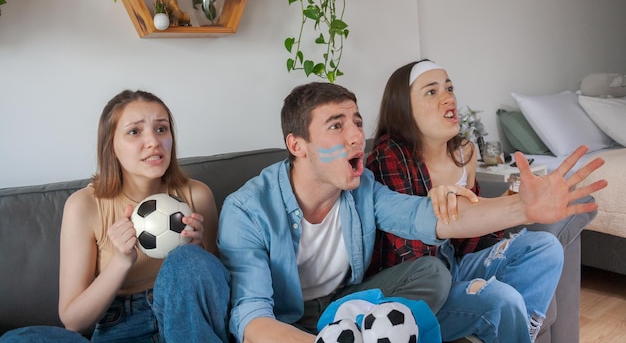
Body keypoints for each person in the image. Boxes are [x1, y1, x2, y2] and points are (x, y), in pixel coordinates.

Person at [216, 81, 606, 343]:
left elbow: (430, 219)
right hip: (295, 324)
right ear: (297, 145)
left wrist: (522, 207)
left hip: (351, 304)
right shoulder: (247, 210)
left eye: (356, 121)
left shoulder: (362, 187)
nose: (355, 136)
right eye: (336, 126)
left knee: (447, 279)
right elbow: (251, 318)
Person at [364, 59, 578, 343]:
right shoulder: (389, 155)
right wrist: (443, 204)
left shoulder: (464, 151)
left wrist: (511, 201)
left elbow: (472, 240)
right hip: (419, 282)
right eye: (432, 91)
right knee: (501, 297)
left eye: (449, 87)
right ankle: (494, 322)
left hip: (455, 264)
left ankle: (517, 329)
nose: (448, 97)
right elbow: (411, 253)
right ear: (404, 108)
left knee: (546, 247)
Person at [1, 90, 231, 343]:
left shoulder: (196, 195)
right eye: (135, 132)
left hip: (186, 324)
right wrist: (121, 261)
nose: (153, 141)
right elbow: (73, 321)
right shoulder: (84, 206)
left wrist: (199, 252)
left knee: (188, 259)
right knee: (21, 339)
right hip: (120, 326)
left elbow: (221, 293)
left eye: (161, 129)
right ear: (111, 145)